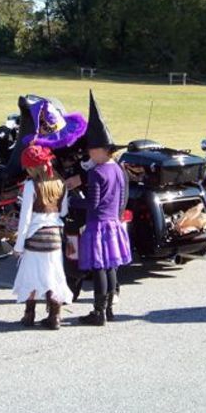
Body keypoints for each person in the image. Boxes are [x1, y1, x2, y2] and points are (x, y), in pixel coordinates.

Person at [72, 91, 132, 326]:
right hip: (113, 224)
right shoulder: (117, 168)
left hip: (98, 226)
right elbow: (119, 196)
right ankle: (108, 310)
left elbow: (93, 203)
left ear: (102, 149)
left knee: (98, 269)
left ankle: (98, 312)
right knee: (110, 268)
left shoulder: (96, 172)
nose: (88, 152)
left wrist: (70, 202)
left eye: (91, 149)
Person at [12, 144, 74, 329]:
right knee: (53, 277)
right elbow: (63, 212)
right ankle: (55, 316)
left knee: (30, 277)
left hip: (35, 237)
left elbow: (25, 219)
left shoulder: (31, 185)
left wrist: (18, 245)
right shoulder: (61, 182)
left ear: (32, 167)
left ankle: (29, 315)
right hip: (54, 238)